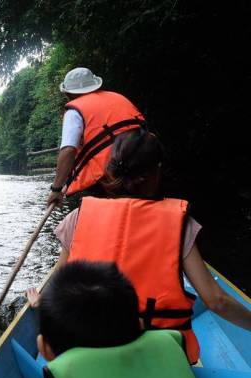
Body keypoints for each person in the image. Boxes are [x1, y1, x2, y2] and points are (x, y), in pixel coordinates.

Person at [31, 129, 251, 364]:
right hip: (159, 355)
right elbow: (216, 301)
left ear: (111, 169)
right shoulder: (179, 223)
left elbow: (60, 284)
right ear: (156, 172)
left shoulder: (79, 217)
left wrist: (40, 302)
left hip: (87, 350)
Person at [34, 261, 203, 378]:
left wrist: (38, 305)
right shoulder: (171, 339)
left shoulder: (58, 376)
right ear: (141, 324)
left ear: (44, 349)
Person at [46, 67, 146, 207]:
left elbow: (68, 150)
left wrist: (56, 189)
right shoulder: (119, 98)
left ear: (69, 94)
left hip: (110, 178)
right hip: (146, 169)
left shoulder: (74, 111)